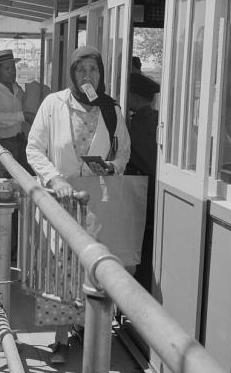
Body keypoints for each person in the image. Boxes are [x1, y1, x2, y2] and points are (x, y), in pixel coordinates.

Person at [26, 45, 131, 364]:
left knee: (93, 266)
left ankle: (87, 330)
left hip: (96, 201)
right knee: (60, 268)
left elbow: (123, 151)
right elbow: (34, 149)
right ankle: (58, 337)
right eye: (81, 69)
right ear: (71, 73)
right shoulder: (52, 104)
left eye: (94, 69)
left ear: (101, 73)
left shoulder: (111, 109)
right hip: (61, 200)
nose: (88, 75)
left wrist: (111, 167)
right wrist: (54, 178)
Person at [125, 65, 160, 291]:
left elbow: (144, 159)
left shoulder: (137, 125)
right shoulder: (154, 119)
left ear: (135, 97)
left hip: (141, 192)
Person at [0, 49, 34, 178]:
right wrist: (23, 116)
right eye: (7, 68)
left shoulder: (18, 89)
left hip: (21, 142)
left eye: (13, 67)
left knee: (24, 179)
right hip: (3, 144)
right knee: (5, 182)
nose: (13, 71)